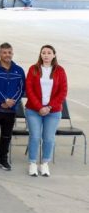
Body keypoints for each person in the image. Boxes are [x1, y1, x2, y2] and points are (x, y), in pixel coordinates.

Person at [25, 45, 68, 177]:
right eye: (43, 53)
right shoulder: (33, 69)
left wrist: (49, 107)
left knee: (48, 138)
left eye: (49, 53)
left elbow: (63, 91)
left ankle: (44, 164)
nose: (46, 55)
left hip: (53, 112)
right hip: (33, 110)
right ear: (40, 55)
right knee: (35, 136)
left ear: (54, 55)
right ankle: (32, 163)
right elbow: (29, 89)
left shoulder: (60, 71)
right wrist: (39, 107)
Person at [0, 42, 25, 171]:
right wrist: (4, 100)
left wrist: (12, 101)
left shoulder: (19, 70)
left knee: (6, 136)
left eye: (9, 52)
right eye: (4, 52)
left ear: (12, 53)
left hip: (11, 110)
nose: (7, 55)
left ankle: (3, 159)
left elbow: (22, 88)